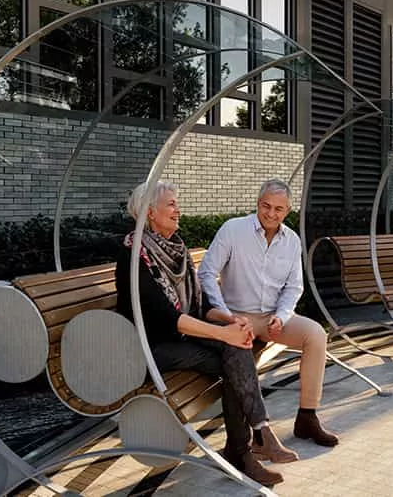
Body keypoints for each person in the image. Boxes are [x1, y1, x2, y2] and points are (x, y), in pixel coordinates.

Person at [114, 180, 297, 487]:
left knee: (236, 350)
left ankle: (248, 443)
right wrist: (223, 334)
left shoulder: (176, 249)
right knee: (233, 358)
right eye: (171, 204)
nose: (178, 209)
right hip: (149, 347)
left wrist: (231, 320)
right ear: (149, 212)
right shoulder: (135, 256)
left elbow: (200, 305)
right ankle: (250, 443)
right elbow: (169, 319)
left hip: (181, 339)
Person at [198, 178, 340, 453]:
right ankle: (251, 437)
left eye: (278, 209)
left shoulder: (292, 241)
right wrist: (226, 316)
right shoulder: (233, 230)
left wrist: (282, 317)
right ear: (257, 203)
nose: (271, 214)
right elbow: (206, 273)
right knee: (241, 354)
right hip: (236, 317)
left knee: (316, 335)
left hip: (271, 319)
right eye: (266, 206)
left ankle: (307, 417)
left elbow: (294, 287)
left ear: (287, 211)